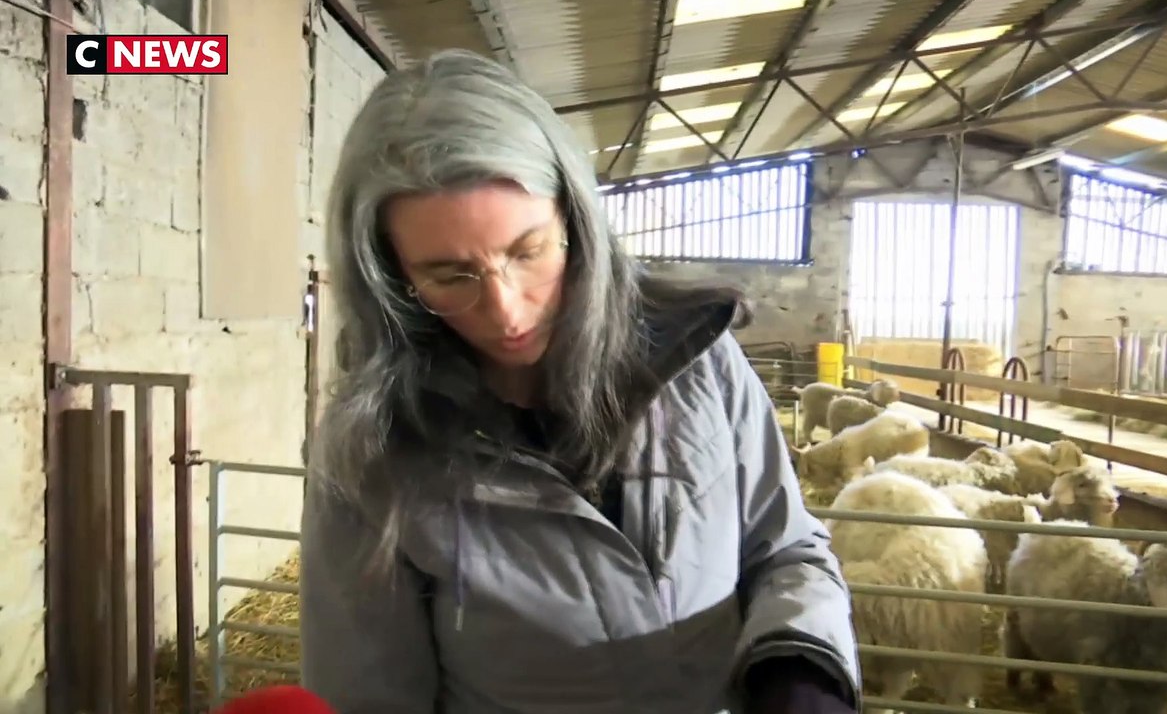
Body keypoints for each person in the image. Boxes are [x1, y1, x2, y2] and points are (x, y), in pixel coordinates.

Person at [299, 47, 862, 714]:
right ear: (393, 278)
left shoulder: (697, 360)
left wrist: (801, 669)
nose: (506, 310)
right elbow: (368, 697)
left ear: (575, 218)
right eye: (450, 276)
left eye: (528, 251)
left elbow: (787, 547)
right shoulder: (373, 458)